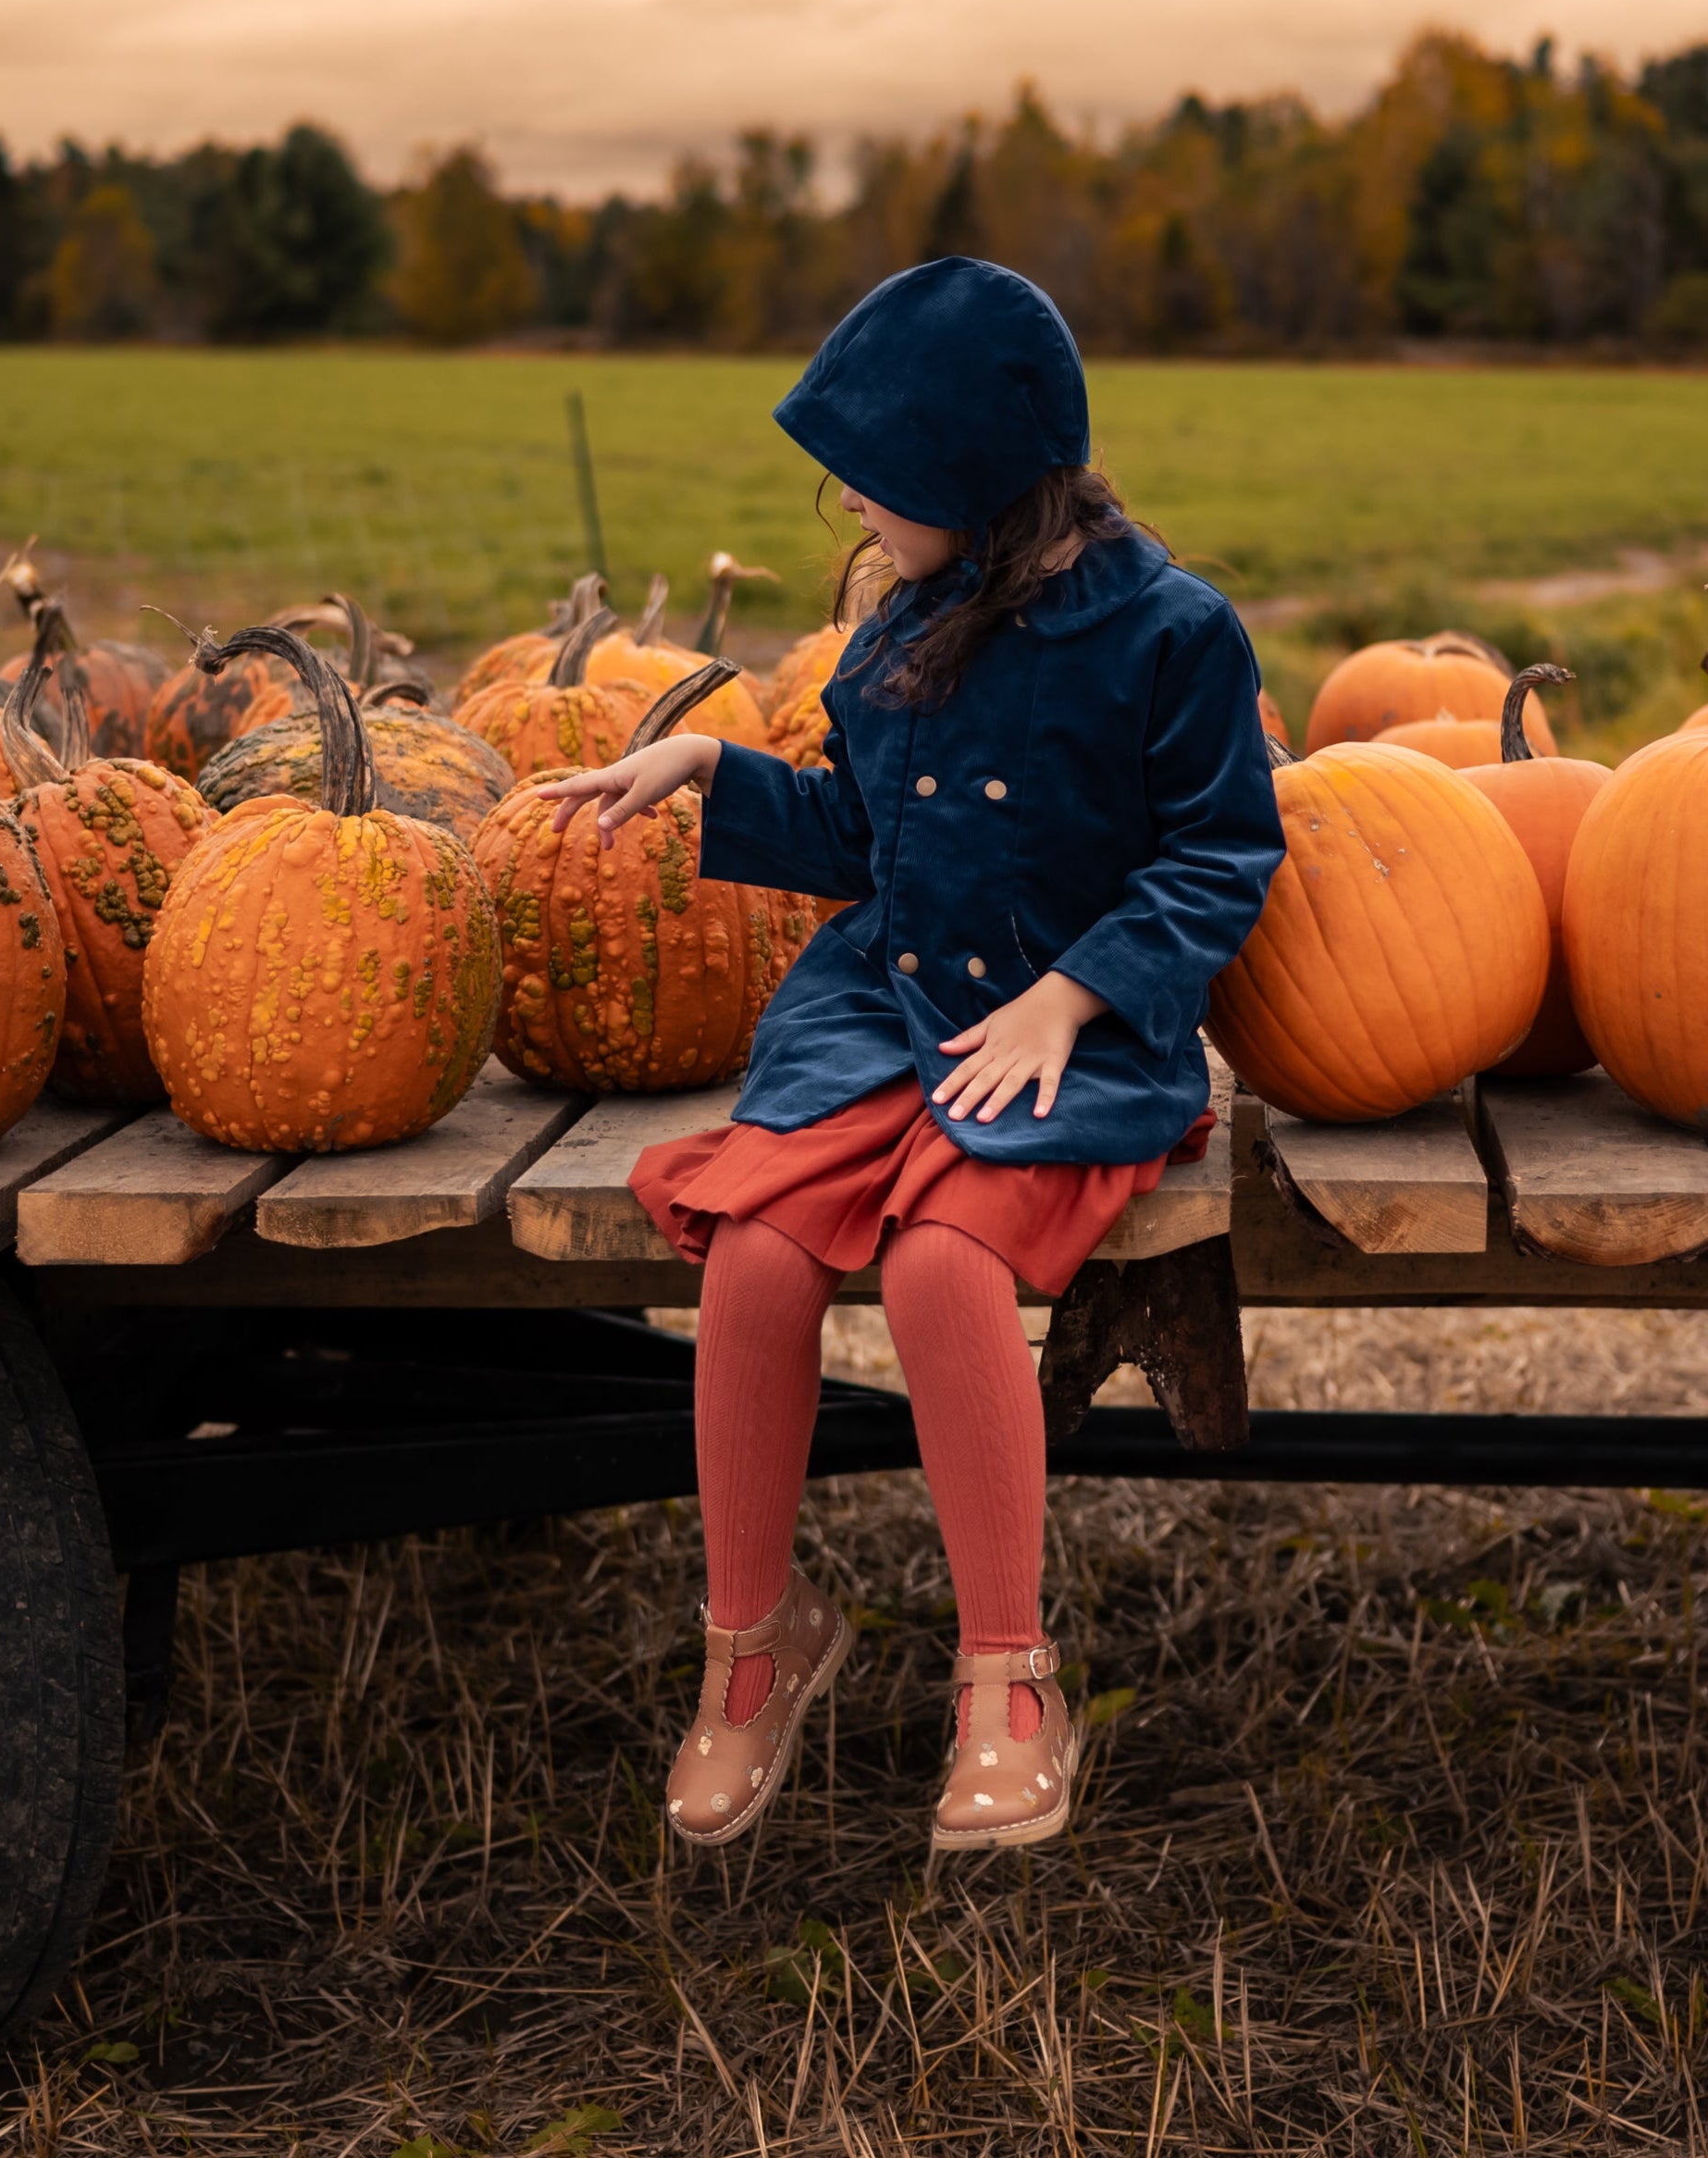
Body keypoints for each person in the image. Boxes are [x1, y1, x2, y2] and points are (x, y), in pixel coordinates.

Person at [532, 256, 1284, 1855]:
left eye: (882, 483)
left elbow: (1222, 856)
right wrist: (705, 768)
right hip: (886, 1003)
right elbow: (867, 840)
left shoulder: (1171, 635)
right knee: (751, 1258)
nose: (855, 510)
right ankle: (757, 1645)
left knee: (946, 1268)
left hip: (1063, 1027)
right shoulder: (902, 634)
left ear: (980, 477)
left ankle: (1009, 1677)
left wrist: (1074, 998)